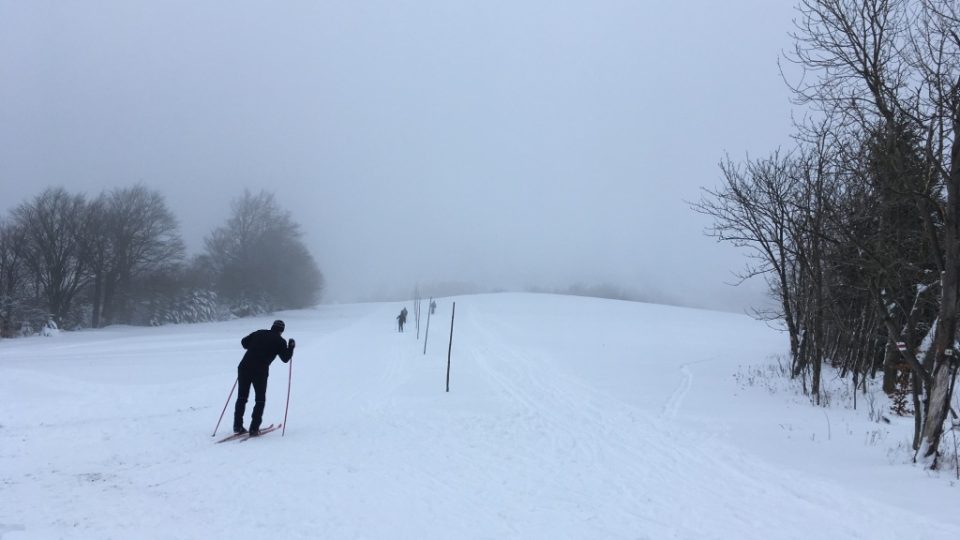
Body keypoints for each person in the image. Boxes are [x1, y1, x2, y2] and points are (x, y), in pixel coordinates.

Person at [233, 319, 295, 436]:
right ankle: (254, 428)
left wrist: (255, 346)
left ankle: (237, 426)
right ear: (281, 330)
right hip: (260, 371)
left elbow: (244, 342)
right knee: (260, 399)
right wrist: (291, 347)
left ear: (272, 327)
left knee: (242, 397)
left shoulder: (259, 332)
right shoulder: (280, 341)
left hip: (244, 367)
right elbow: (285, 358)